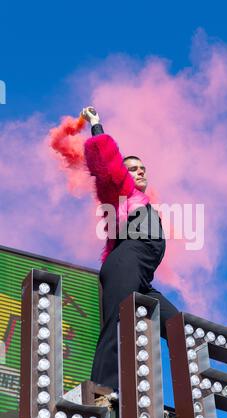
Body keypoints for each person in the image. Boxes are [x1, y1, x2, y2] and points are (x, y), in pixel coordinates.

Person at [82, 106, 179, 393]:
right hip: (125, 262)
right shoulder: (119, 192)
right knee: (117, 322)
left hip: (142, 277)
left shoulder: (143, 204)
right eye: (132, 168)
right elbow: (106, 167)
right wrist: (96, 125)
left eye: (142, 169)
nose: (139, 172)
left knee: (178, 327)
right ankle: (103, 391)